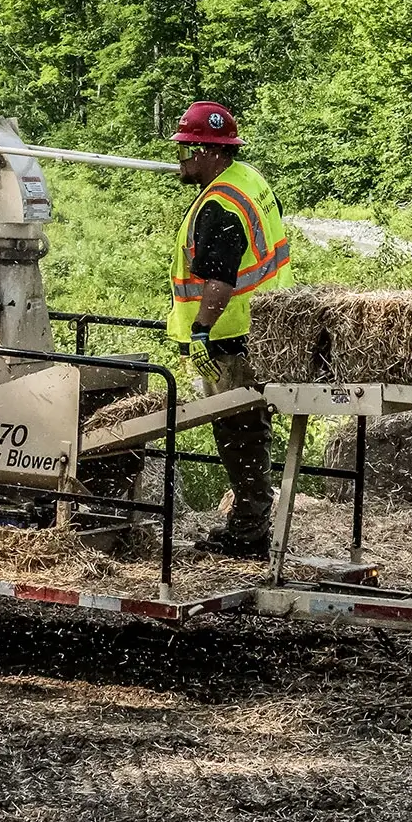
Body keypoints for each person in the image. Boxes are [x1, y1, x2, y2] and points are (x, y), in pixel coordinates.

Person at [165, 101, 293, 558]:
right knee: (250, 428)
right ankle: (251, 519)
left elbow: (219, 281)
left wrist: (200, 330)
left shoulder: (219, 206)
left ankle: (248, 528)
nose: (180, 159)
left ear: (206, 152)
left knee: (237, 430)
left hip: (229, 337)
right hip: (265, 327)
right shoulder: (249, 179)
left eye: (185, 150)